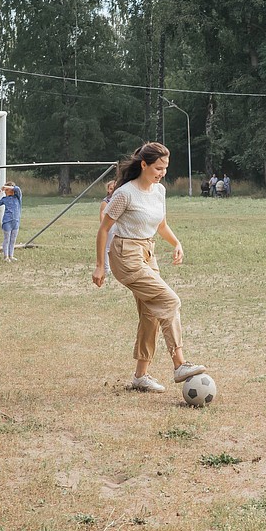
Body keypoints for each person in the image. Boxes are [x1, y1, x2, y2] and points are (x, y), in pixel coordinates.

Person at [93, 142, 207, 392]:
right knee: (169, 300)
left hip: (148, 252)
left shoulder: (159, 191)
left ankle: (140, 377)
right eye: (158, 167)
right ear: (143, 165)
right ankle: (180, 363)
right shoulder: (125, 193)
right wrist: (101, 266)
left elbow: (161, 224)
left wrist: (176, 242)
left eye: (165, 167)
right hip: (125, 254)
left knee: (151, 313)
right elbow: (104, 229)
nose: (162, 172)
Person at [0, 181, 23, 262]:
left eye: (8, 189)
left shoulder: (17, 197)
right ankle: (6, 256)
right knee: (7, 239)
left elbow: (18, 189)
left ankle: (11, 255)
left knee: (13, 240)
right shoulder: (5, 199)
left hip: (16, 221)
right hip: (7, 221)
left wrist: (8, 187)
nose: (6, 191)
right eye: (6, 190)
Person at [99, 180, 116, 276]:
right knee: (107, 247)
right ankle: (106, 268)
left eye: (114, 188)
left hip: (118, 225)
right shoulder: (106, 201)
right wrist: (104, 226)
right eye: (110, 189)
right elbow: (102, 213)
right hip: (109, 226)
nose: (112, 190)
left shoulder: (120, 199)